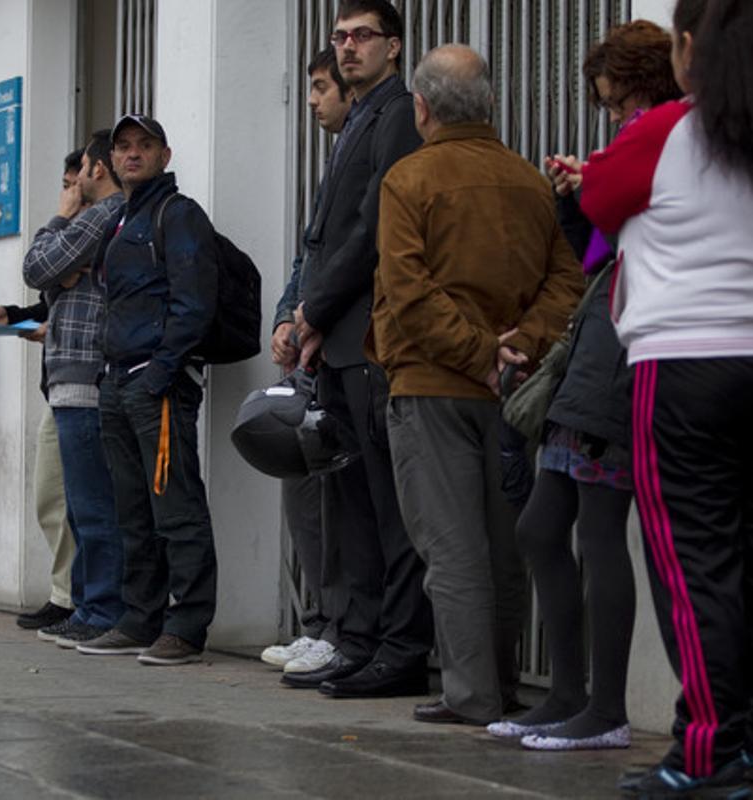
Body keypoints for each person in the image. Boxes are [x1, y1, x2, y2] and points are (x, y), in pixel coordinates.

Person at [578, 0, 753, 794]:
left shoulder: (660, 131)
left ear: (686, 48)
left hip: (687, 369)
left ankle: (707, 753)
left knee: (696, 565)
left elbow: (597, 205)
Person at [369, 44, 581, 725]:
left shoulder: (408, 179)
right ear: (490, 104)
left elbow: (408, 290)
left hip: (435, 384)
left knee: (451, 548)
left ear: (422, 107)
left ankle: (471, 696)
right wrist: (515, 349)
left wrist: (475, 353)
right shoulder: (529, 182)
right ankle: (504, 688)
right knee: (501, 548)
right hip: (512, 390)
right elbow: (567, 283)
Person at [490, 20, 682, 752]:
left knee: (599, 531)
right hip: (600, 337)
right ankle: (571, 696)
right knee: (544, 527)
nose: (610, 114)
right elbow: (596, 245)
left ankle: (604, 709)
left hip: (624, 346)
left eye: (612, 98)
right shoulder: (648, 138)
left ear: (636, 85)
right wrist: (581, 193)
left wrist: (591, 181)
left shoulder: (665, 132)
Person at [282, 0, 434, 701]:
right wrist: (303, 315)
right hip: (336, 341)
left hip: (368, 337)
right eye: (340, 37)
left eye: (362, 36)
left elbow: (376, 223)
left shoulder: (398, 113)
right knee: (351, 508)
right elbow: (326, 233)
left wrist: (314, 308)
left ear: (394, 48)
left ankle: (401, 649)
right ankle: (362, 639)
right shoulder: (356, 119)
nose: (347, 48)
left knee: (388, 508)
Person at [74, 115, 220, 667]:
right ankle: (140, 618)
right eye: (124, 147)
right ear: (111, 160)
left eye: (145, 146)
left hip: (156, 386)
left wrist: (160, 374)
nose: (133, 154)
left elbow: (194, 305)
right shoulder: (118, 220)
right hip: (117, 383)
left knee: (176, 510)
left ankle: (186, 626)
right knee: (131, 510)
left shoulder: (177, 215)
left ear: (164, 154)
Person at [261, 46, 353, 676]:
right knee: (303, 496)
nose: (313, 98)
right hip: (308, 357)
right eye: (313, 86)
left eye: (322, 87)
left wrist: (310, 318)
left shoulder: (367, 151)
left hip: (344, 354)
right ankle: (319, 620)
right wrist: (283, 320)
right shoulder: (333, 162)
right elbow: (308, 259)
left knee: (340, 502)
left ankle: (341, 627)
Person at [21, 130, 127, 649]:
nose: (76, 180)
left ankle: (101, 608)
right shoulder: (106, 219)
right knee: (82, 506)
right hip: (72, 375)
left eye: (81, 169)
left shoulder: (100, 215)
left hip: (85, 375)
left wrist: (62, 215)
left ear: (96, 171)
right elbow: (48, 279)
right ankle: (87, 605)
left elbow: (36, 266)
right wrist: (57, 277)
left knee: (92, 505)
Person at [0, 148, 87, 631]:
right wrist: (16, 316)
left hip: (89, 387)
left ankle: (80, 599)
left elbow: (44, 274)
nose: (65, 192)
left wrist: (61, 217)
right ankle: (67, 594)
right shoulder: (78, 236)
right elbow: (52, 302)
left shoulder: (91, 231)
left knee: (83, 504)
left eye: (71, 182)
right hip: (61, 386)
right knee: (52, 498)